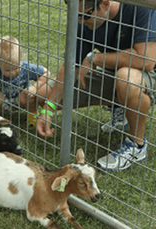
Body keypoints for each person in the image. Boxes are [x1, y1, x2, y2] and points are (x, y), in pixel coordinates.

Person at [36, 0, 156, 171]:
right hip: (114, 71)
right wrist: (48, 108)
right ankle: (120, 108)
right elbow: (71, 66)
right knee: (41, 94)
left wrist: (96, 58)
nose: (79, 22)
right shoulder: (83, 18)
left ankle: (137, 146)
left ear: (105, 4)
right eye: (75, 16)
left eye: (84, 16)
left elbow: (147, 60)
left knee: (126, 77)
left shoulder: (140, 6)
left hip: (148, 73)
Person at [0, 35, 53, 126]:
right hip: (3, 99)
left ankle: (31, 118)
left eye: (16, 68)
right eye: (8, 70)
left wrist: (34, 87)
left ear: (21, 57)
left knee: (30, 95)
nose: (13, 73)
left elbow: (46, 73)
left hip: (20, 99)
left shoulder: (26, 67)